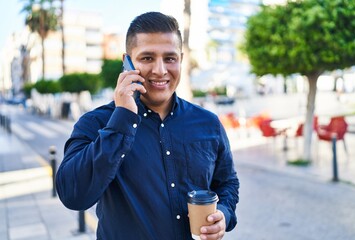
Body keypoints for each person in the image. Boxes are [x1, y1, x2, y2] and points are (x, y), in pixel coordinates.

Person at [56, 12, 239, 240]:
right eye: (147, 58)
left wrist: (224, 214)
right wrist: (122, 119)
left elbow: (228, 183)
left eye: (170, 58)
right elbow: (72, 195)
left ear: (181, 59)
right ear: (127, 62)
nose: (160, 70)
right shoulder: (96, 123)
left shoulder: (209, 123)